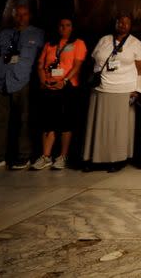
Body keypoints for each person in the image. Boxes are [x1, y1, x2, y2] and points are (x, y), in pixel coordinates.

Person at [0, 5, 45, 171]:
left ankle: (24, 156)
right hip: (0, 82)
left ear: (29, 16)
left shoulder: (37, 34)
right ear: (13, 17)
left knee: (24, 120)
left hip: (23, 81)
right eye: (18, 15)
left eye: (24, 15)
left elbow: (45, 57)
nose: (21, 18)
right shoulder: (4, 33)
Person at [83, 13, 141, 172]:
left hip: (124, 90)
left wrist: (137, 90)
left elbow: (140, 69)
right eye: (120, 22)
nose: (122, 25)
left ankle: (117, 159)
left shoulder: (135, 43)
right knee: (99, 127)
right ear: (115, 23)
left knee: (119, 129)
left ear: (130, 26)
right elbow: (94, 60)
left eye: (126, 23)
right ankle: (95, 159)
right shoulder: (104, 40)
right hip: (101, 88)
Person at [31, 16, 87, 171]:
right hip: (49, 86)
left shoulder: (78, 43)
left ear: (72, 27)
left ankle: (63, 155)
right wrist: (43, 81)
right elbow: (40, 65)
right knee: (47, 123)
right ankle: (46, 156)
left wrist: (65, 80)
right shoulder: (50, 44)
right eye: (61, 25)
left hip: (67, 87)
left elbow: (77, 66)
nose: (64, 28)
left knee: (65, 123)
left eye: (68, 25)